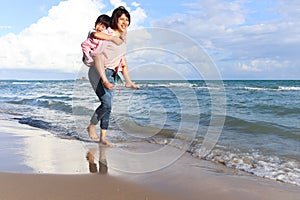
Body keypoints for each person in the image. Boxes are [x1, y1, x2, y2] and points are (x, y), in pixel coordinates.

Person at [87, 6, 139, 146]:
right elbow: (94, 35)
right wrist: (113, 38)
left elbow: (122, 61)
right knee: (106, 103)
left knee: (109, 107)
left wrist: (129, 81)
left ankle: (103, 138)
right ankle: (91, 126)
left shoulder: (123, 39)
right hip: (97, 72)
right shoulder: (107, 32)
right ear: (115, 19)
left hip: (111, 74)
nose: (125, 22)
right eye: (122, 19)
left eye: (127, 20)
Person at [81, 14, 124, 90]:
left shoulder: (107, 33)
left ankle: (115, 74)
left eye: (103, 27)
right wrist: (112, 38)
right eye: (99, 25)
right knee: (99, 55)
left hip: (99, 58)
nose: (100, 28)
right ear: (95, 23)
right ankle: (105, 81)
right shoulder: (93, 31)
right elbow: (95, 35)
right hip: (89, 57)